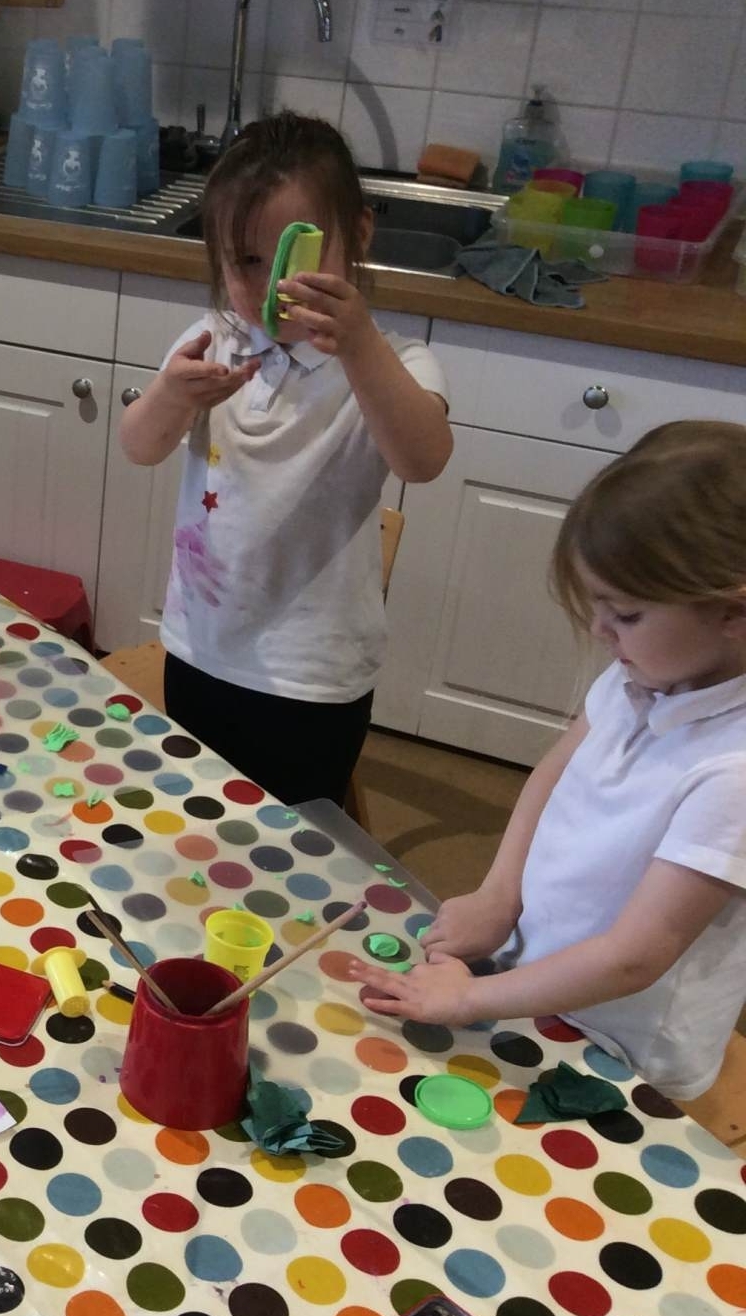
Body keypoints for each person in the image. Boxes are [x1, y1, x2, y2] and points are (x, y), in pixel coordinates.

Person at [348, 421, 746, 1101]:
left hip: (622, 1048)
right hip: (535, 980)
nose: (599, 630)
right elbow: (552, 775)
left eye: (625, 614)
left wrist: (471, 1000)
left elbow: (633, 959)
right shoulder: (645, 674)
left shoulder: (733, 771)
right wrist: (501, 893)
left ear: (733, 612)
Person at [118, 112, 453, 806]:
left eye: (297, 259)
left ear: (358, 236)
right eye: (246, 262)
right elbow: (138, 447)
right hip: (201, 648)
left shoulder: (394, 361)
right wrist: (171, 395)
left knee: (293, 845)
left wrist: (359, 345)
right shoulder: (213, 339)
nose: (273, 286)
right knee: (199, 820)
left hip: (312, 677)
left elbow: (423, 460)